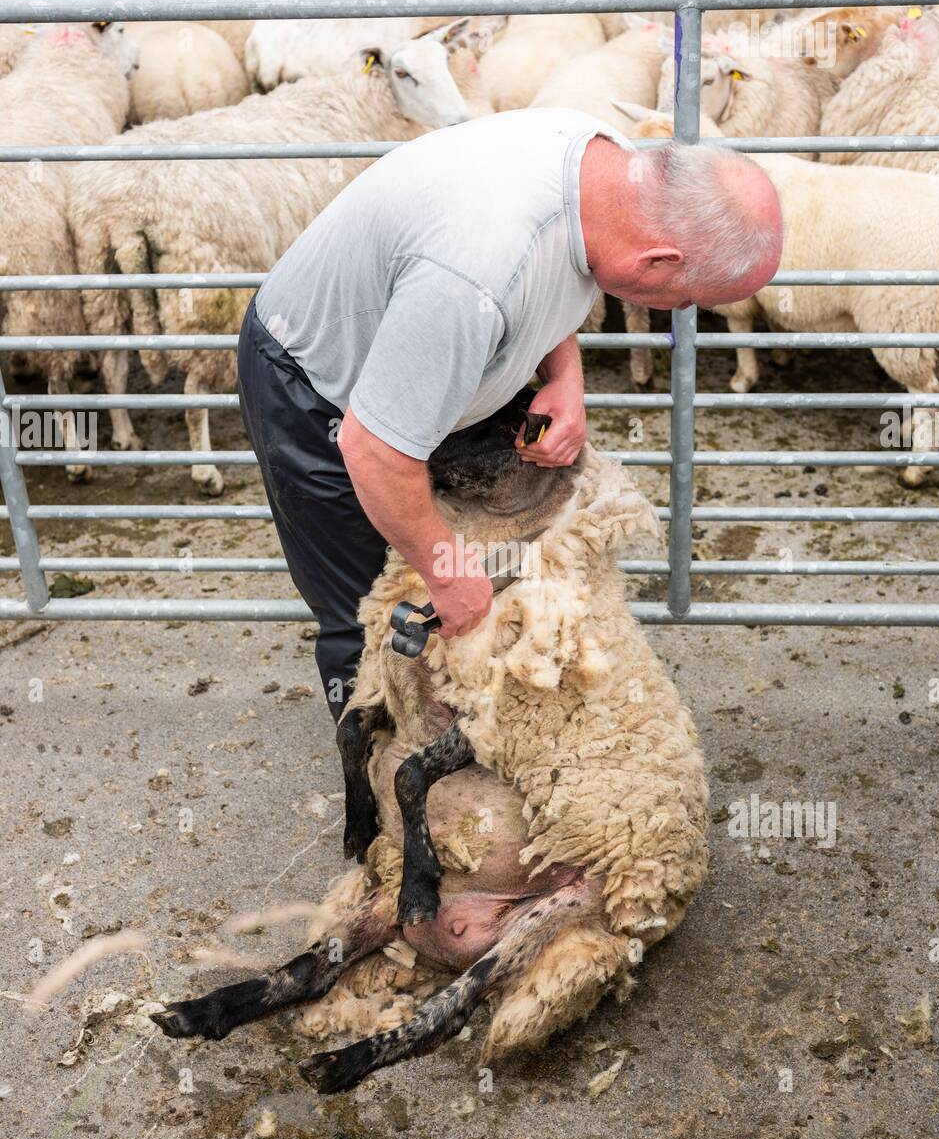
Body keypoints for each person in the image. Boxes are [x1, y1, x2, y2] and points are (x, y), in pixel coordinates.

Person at [236, 108, 783, 721]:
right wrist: (445, 573)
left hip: (434, 352)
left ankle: (465, 730)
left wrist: (565, 376)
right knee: (372, 605)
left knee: (468, 554)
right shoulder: (475, 273)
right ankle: (380, 780)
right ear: (656, 262)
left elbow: (558, 266)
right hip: (319, 386)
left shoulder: (620, 174)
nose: (680, 311)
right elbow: (374, 448)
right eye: (686, 300)